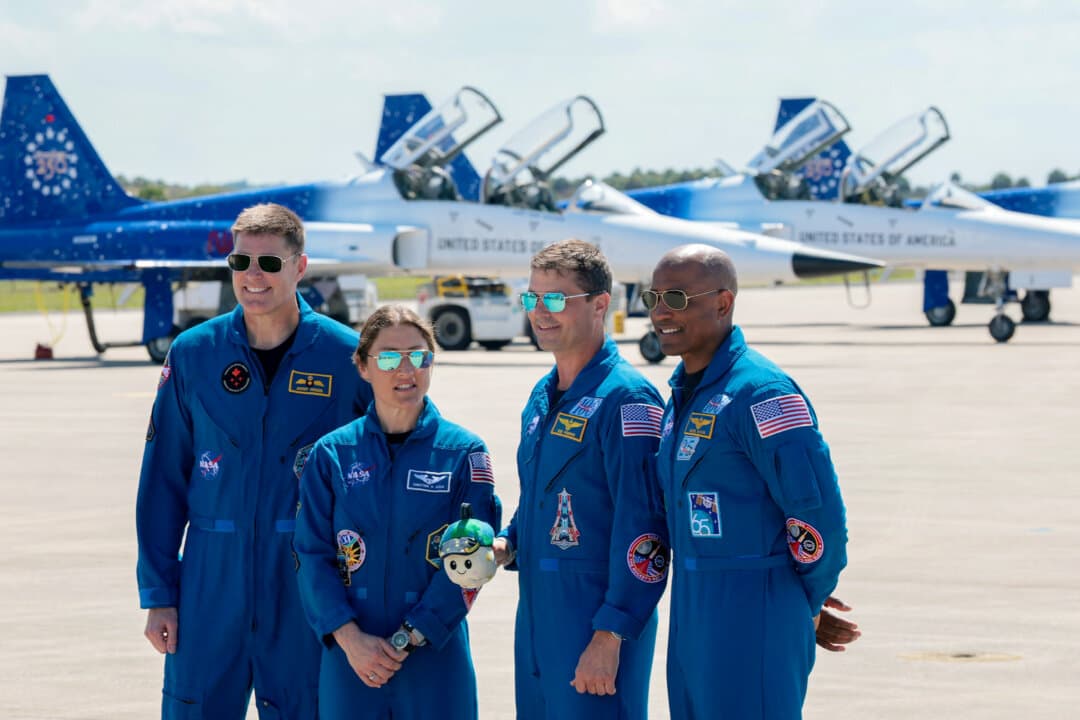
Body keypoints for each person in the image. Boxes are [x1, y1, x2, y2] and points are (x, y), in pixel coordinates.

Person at [136, 203, 373, 719]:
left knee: (305, 707)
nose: (252, 276)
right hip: (208, 584)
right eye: (240, 263)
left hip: (306, 582)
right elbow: (162, 481)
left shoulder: (346, 357)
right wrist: (159, 592)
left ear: (300, 267)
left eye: (269, 263)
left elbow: (403, 443)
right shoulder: (195, 353)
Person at [646, 244, 850, 719]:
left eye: (675, 298)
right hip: (693, 606)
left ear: (723, 303)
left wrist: (803, 599)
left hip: (754, 609)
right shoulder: (685, 393)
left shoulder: (761, 394)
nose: (659, 312)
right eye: (651, 297)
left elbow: (816, 513)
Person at [293, 305, 499, 720]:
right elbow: (310, 555)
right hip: (353, 657)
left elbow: (474, 560)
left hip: (434, 653)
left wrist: (412, 634)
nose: (405, 369)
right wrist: (350, 639)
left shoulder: (465, 453)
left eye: (418, 356)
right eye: (388, 357)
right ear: (363, 366)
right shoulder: (330, 454)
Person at [492, 240, 669, 720]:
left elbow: (646, 530)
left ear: (599, 305)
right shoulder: (543, 395)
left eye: (555, 300)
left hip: (594, 623)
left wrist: (611, 633)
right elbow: (541, 498)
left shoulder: (628, 401)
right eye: (532, 298)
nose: (540, 313)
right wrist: (506, 544)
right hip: (537, 619)